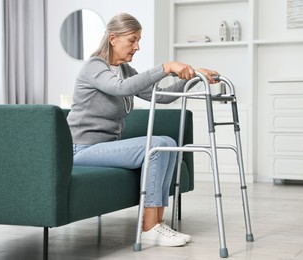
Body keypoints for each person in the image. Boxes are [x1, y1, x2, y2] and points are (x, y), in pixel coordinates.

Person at [66, 13, 219, 247]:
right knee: (157, 147)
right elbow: (121, 89)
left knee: (166, 143)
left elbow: (163, 97)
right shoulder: (94, 67)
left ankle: (157, 224)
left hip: (103, 147)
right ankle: (149, 227)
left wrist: (197, 77)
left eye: (139, 41)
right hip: (81, 150)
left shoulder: (125, 70)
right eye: (132, 40)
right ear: (113, 38)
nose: (137, 46)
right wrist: (165, 67)